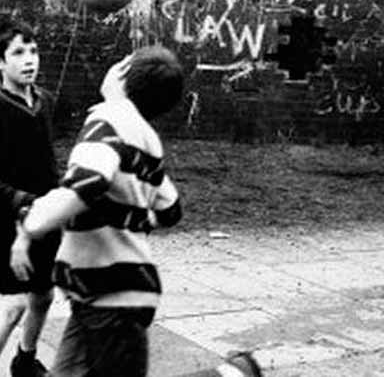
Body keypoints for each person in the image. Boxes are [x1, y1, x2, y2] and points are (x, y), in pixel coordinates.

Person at [15, 46, 263, 377]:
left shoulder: (107, 121)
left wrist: (32, 222)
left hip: (112, 297)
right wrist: (130, 219)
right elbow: (171, 207)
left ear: (122, 76)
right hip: (99, 295)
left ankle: (233, 375)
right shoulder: (146, 138)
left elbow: (86, 183)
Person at [0, 20, 60, 377]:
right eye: (18, 53)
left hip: (45, 213)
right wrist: (20, 200)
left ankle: (24, 361)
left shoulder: (44, 101)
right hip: (6, 217)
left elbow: (46, 160)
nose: (29, 60)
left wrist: (57, 197)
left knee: (43, 295)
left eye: (33, 51)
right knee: (14, 303)